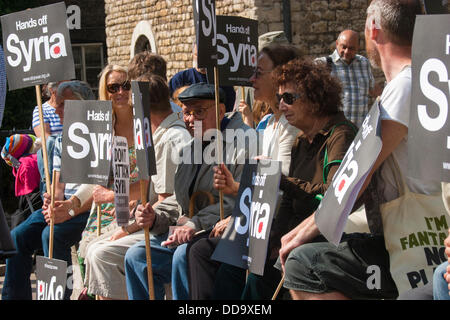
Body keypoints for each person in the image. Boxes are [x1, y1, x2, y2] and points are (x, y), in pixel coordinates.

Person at [277, 0, 441, 300]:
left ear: (373, 29)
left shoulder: (404, 86)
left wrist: (303, 231)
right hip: (422, 230)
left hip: (412, 238)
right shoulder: (426, 79)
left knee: (304, 266)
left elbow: (357, 175)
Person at [189, 57, 357, 300]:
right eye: (280, 98)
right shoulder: (302, 140)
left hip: (324, 237)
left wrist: (279, 179)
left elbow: (332, 196)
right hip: (293, 235)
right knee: (231, 266)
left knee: (257, 277)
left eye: (289, 98)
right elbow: (289, 201)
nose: (282, 105)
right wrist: (274, 241)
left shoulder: (339, 134)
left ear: (314, 98)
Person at [124, 82, 254, 300]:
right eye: (186, 113)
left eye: (199, 112)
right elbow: (181, 198)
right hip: (187, 229)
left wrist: (195, 224)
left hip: (226, 232)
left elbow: (238, 201)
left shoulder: (245, 143)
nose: (191, 119)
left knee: (183, 255)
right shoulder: (191, 147)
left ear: (221, 111)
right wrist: (156, 216)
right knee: (136, 256)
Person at [81, 74, 191, 300]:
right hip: (153, 220)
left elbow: (168, 204)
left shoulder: (169, 139)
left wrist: (126, 229)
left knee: (101, 254)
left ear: (143, 108)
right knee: (93, 248)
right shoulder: (160, 135)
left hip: (169, 228)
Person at [1, 81, 95, 300]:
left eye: (64, 105)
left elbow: (97, 188)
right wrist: (51, 199)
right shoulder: (62, 139)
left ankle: (58, 296)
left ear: (82, 105)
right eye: (57, 104)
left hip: (88, 209)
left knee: (53, 235)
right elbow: (57, 183)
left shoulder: (98, 137)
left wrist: (67, 208)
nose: (57, 110)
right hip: (63, 208)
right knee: (16, 238)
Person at [316, 29, 381, 129]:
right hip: (335, 132)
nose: (346, 52)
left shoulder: (363, 63)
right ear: (337, 44)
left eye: (351, 48)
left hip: (359, 132)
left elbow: (372, 89)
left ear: (358, 48)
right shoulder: (323, 65)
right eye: (344, 47)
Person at [168, 43, 236, 113]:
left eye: (204, 56)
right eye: (197, 55)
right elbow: (171, 107)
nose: (200, 59)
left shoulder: (222, 80)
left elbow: (227, 110)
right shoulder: (179, 79)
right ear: (192, 55)